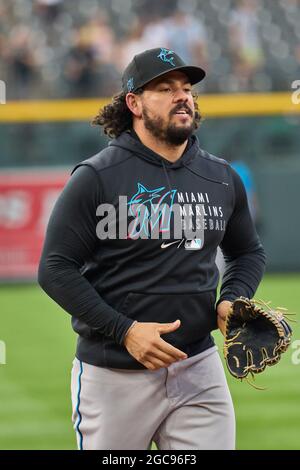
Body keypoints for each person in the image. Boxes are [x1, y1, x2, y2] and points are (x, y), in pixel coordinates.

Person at [38, 47, 266, 450]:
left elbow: (247, 252)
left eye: (187, 88)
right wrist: (124, 331)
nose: (182, 96)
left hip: (198, 366)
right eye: (164, 88)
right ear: (134, 103)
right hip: (115, 375)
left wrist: (232, 299)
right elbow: (55, 269)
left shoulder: (221, 177)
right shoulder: (97, 177)